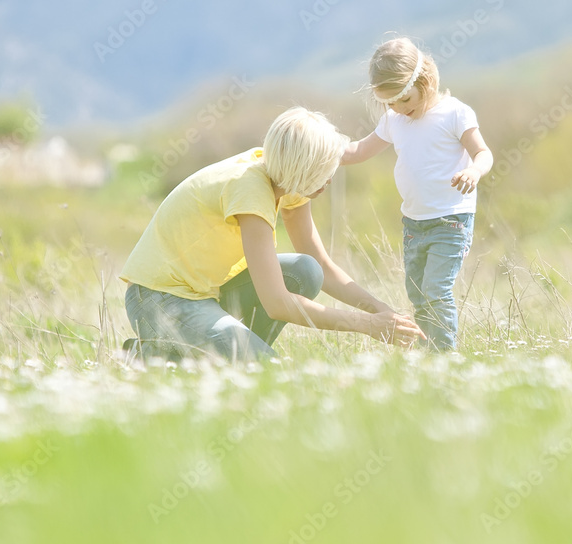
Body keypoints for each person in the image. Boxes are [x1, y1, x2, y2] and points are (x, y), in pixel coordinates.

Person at [121, 106, 423, 363]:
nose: (332, 177)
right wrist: (368, 325)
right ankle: (164, 358)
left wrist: (382, 311)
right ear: (304, 170)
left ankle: (214, 356)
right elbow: (276, 303)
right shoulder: (251, 192)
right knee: (267, 371)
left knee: (305, 270)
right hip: (159, 301)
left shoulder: (283, 178)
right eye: (326, 169)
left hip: (204, 294)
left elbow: (321, 264)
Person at [342, 37, 494, 350]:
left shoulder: (455, 113)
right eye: (390, 103)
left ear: (424, 81)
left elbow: (484, 153)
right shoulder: (394, 121)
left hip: (451, 219)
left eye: (404, 98)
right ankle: (428, 353)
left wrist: (474, 171)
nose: (398, 108)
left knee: (436, 289)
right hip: (414, 224)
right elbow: (357, 152)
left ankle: (443, 356)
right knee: (418, 293)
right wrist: (319, 146)